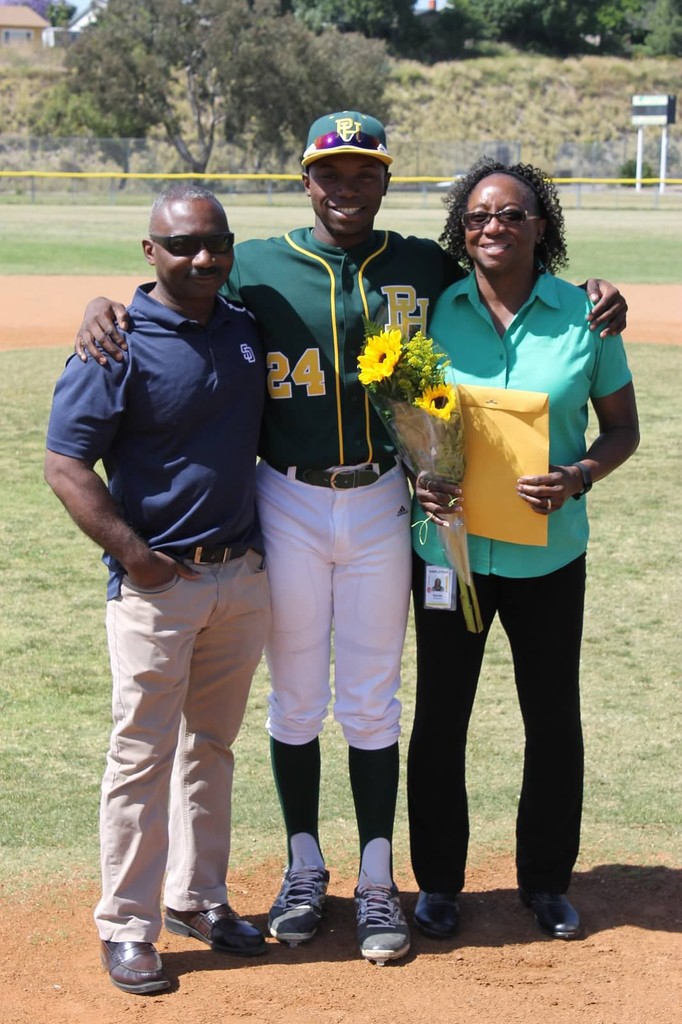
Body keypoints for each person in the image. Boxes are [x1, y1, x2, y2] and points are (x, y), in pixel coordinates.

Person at [73, 112, 628, 965]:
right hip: (284, 500)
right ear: (307, 181)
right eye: (331, 173)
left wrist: (593, 288)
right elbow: (172, 287)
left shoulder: (424, 265)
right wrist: (99, 305)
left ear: (385, 179)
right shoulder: (250, 264)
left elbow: (509, 271)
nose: (347, 187)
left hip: (382, 500)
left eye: (364, 172)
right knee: (296, 696)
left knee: (373, 698)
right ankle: (304, 866)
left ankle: (378, 879)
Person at [44, 184, 271, 994]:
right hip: (158, 587)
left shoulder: (246, 328)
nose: (203, 258)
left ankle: (198, 896)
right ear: (151, 252)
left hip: (241, 577)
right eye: (183, 245)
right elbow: (65, 464)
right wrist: (136, 557)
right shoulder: (116, 344)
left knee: (211, 750)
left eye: (216, 242)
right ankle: (127, 925)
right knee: (142, 755)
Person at [408, 158, 639, 943]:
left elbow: (622, 430)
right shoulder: (436, 312)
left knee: (552, 718)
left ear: (542, 226)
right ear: (460, 231)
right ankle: (438, 883)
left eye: (510, 215)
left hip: (549, 558)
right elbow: (407, 421)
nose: (492, 228)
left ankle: (545, 883)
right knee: (441, 719)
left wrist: (577, 475)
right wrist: (420, 476)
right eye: (476, 217)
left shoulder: (587, 317)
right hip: (451, 552)